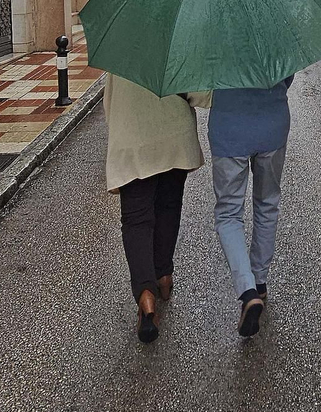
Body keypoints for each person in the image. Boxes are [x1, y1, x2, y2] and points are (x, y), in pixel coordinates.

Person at [103, 75, 211, 344]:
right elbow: (201, 94)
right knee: (168, 206)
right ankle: (163, 274)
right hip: (174, 134)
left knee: (136, 219)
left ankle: (146, 296)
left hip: (132, 138)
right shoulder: (177, 43)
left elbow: (109, 102)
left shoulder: (120, 50)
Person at [208, 76, 294, 337]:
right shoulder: (277, 34)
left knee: (228, 213)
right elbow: (287, 75)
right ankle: (260, 279)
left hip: (229, 126)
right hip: (272, 123)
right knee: (267, 203)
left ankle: (247, 291)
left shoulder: (212, 36)